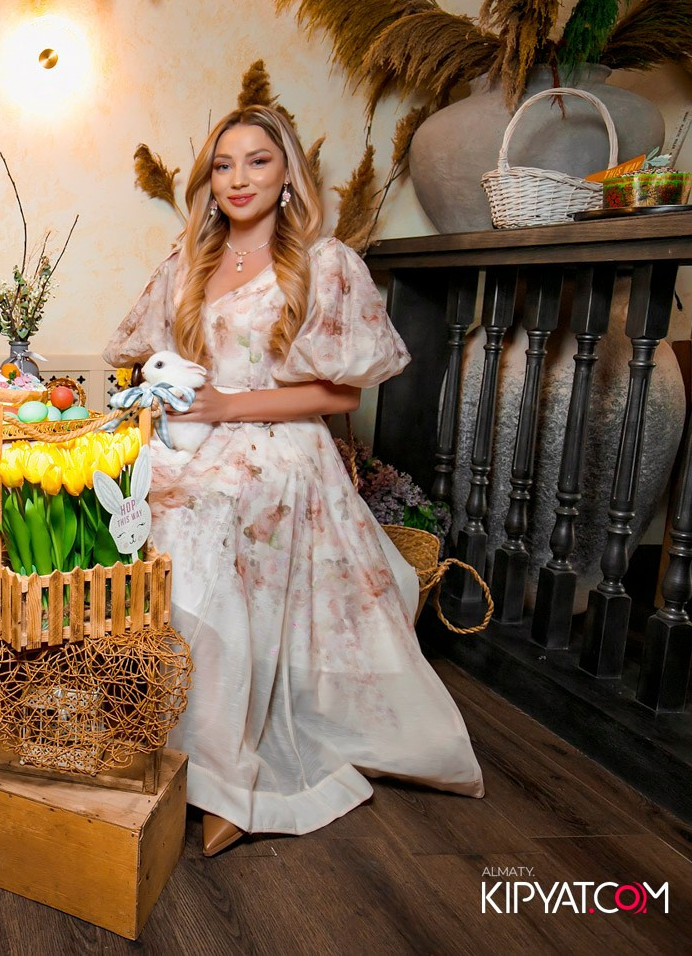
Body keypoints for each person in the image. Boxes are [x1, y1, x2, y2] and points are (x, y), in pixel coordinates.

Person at [104, 104, 483, 858]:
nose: (238, 178)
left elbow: (340, 396)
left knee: (210, 514)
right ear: (208, 181)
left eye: (258, 161)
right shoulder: (187, 263)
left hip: (282, 445)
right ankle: (143, 733)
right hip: (197, 436)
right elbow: (144, 359)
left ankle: (225, 771)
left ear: (287, 176)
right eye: (223, 165)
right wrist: (166, 405)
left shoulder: (323, 261)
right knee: (132, 502)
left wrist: (228, 406)